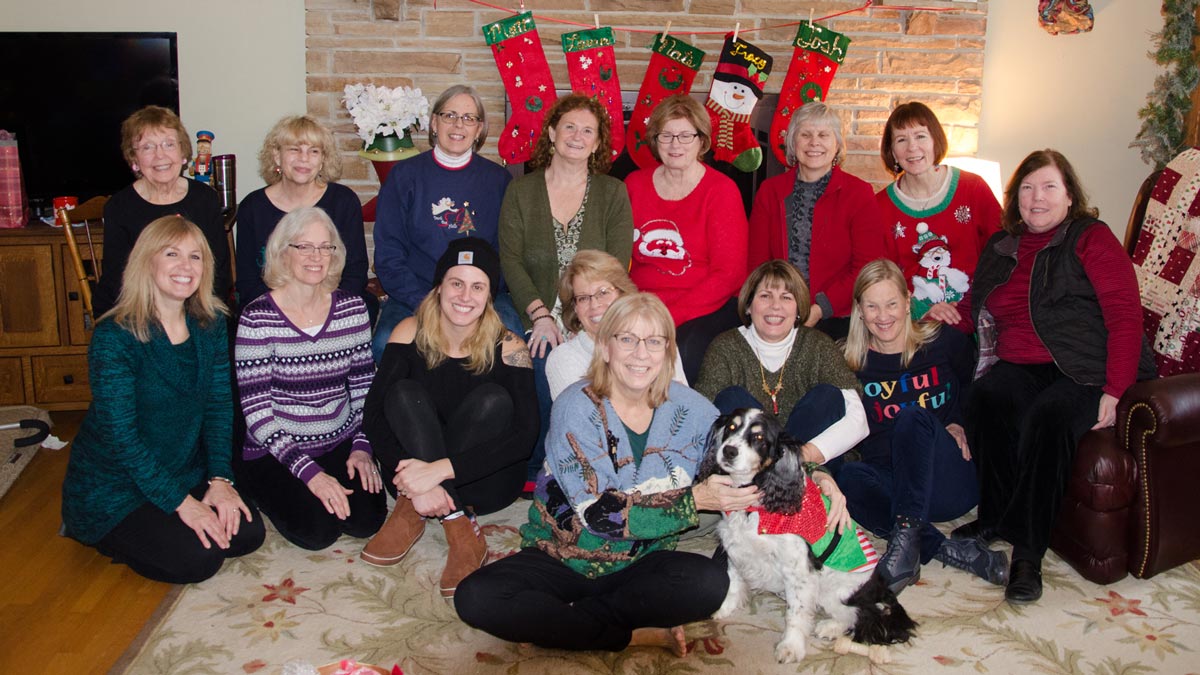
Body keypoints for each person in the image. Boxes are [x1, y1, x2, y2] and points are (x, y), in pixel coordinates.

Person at [454, 293, 761, 655]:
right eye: (627, 339)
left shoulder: (690, 409)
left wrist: (817, 476)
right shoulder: (575, 405)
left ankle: (565, 625)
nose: (640, 353)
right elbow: (600, 516)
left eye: (653, 341)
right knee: (475, 597)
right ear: (605, 347)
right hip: (564, 555)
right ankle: (632, 634)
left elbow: (751, 452)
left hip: (641, 560)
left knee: (709, 584)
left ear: (667, 351)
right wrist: (693, 501)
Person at [953, 150, 1156, 604]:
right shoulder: (1002, 245)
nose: (1036, 198)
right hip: (1022, 364)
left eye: (1048, 187)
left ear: (1069, 197)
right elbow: (976, 306)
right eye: (1027, 188)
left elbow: (1125, 316)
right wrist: (948, 316)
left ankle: (1027, 555)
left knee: (1048, 419)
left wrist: (1115, 389)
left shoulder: (1091, 238)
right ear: (1015, 198)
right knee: (985, 398)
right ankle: (995, 516)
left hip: (1086, 368)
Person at [61, 215, 264, 583]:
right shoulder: (115, 336)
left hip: (183, 469)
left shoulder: (211, 323)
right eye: (172, 254)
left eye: (196, 256)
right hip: (116, 486)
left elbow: (219, 407)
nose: (186, 267)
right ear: (147, 261)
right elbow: (123, 440)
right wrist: (183, 505)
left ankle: (177, 513)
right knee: (198, 560)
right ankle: (112, 536)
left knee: (248, 534)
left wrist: (220, 479)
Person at [361, 238, 537, 598]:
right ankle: (447, 520)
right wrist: (411, 479)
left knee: (492, 400)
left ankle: (427, 507)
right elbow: (374, 415)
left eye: (478, 286)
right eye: (456, 283)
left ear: (489, 295)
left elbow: (525, 435)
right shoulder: (409, 331)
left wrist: (439, 470)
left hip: (486, 481)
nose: (464, 296)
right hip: (416, 476)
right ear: (439, 287)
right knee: (403, 394)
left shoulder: (511, 347)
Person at [837, 259, 1007, 594]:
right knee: (846, 479)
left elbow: (979, 389)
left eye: (891, 304)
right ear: (859, 310)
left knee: (911, 416)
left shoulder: (942, 342)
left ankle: (908, 546)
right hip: (893, 485)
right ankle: (949, 551)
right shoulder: (847, 363)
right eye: (872, 306)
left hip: (948, 481)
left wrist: (960, 423)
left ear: (908, 302)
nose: (883, 316)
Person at [498, 94, 634, 485]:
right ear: (553, 133)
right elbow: (511, 260)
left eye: (587, 131)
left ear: (597, 143)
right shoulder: (521, 192)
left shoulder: (612, 193)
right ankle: (541, 465)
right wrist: (541, 316)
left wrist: (583, 318)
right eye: (569, 127)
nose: (577, 136)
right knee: (543, 358)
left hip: (593, 310)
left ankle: (593, 464)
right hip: (534, 307)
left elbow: (614, 267)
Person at [234, 207, 384, 550]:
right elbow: (257, 414)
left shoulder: (353, 309)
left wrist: (362, 447)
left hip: (339, 439)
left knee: (365, 522)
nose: (317, 256)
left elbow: (365, 387)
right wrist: (310, 474)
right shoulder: (257, 318)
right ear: (282, 253)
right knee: (318, 533)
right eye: (304, 247)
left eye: (325, 247)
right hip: (278, 449)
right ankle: (258, 486)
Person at [372, 85, 520, 361]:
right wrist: (429, 303)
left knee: (512, 341)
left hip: (481, 297)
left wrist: (476, 299)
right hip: (417, 293)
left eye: (468, 118)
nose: (458, 125)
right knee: (385, 343)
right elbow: (389, 253)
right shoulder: (404, 177)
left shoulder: (499, 182)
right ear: (434, 122)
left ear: (479, 129)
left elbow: (507, 253)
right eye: (449, 115)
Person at [694, 260, 868, 472]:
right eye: (765, 296)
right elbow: (699, 419)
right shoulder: (725, 347)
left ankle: (785, 480)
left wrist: (802, 455)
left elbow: (858, 419)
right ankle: (771, 483)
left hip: (810, 467)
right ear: (749, 306)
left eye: (786, 297)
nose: (775, 306)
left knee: (828, 397)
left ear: (798, 309)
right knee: (731, 399)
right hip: (745, 469)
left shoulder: (818, 344)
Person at [625, 95, 748, 384]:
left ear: (701, 140)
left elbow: (729, 274)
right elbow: (616, 257)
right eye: (666, 135)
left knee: (685, 349)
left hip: (706, 305)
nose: (675, 144)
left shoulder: (721, 191)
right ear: (655, 140)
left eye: (685, 135)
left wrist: (670, 315)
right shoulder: (634, 185)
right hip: (643, 302)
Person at [748, 102, 890, 340]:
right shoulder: (770, 191)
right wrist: (771, 305)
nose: (814, 142)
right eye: (805, 135)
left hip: (837, 315)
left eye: (824, 135)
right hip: (777, 312)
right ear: (793, 143)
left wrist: (821, 307)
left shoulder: (859, 193)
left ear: (837, 145)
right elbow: (758, 262)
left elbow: (867, 266)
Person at [96, 106, 230, 317]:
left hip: (198, 310)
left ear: (183, 153)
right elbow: (117, 280)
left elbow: (218, 272)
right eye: (147, 147)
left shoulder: (205, 199)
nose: (160, 155)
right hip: (141, 312)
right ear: (134, 160)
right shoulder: (119, 207)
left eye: (169, 144)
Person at [876, 102, 1000, 323]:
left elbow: (1002, 254)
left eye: (920, 136)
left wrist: (968, 303)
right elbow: (880, 278)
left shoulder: (973, 188)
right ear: (892, 151)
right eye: (901, 140)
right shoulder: (880, 206)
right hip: (913, 323)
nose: (912, 148)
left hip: (974, 314)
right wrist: (920, 311)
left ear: (935, 140)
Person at [235, 115, 369, 311]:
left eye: (313, 151)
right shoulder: (252, 208)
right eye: (294, 149)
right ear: (276, 155)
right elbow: (247, 282)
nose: (304, 159)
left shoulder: (344, 202)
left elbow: (355, 274)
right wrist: (289, 314)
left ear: (323, 159)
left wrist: (323, 311)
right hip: (272, 312)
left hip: (333, 308)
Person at [545, 250, 686, 401]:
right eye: (583, 298)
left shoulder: (656, 340)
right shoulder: (564, 358)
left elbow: (685, 407)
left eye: (603, 292)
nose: (595, 305)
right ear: (575, 308)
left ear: (623, 295)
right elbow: (584, 420)